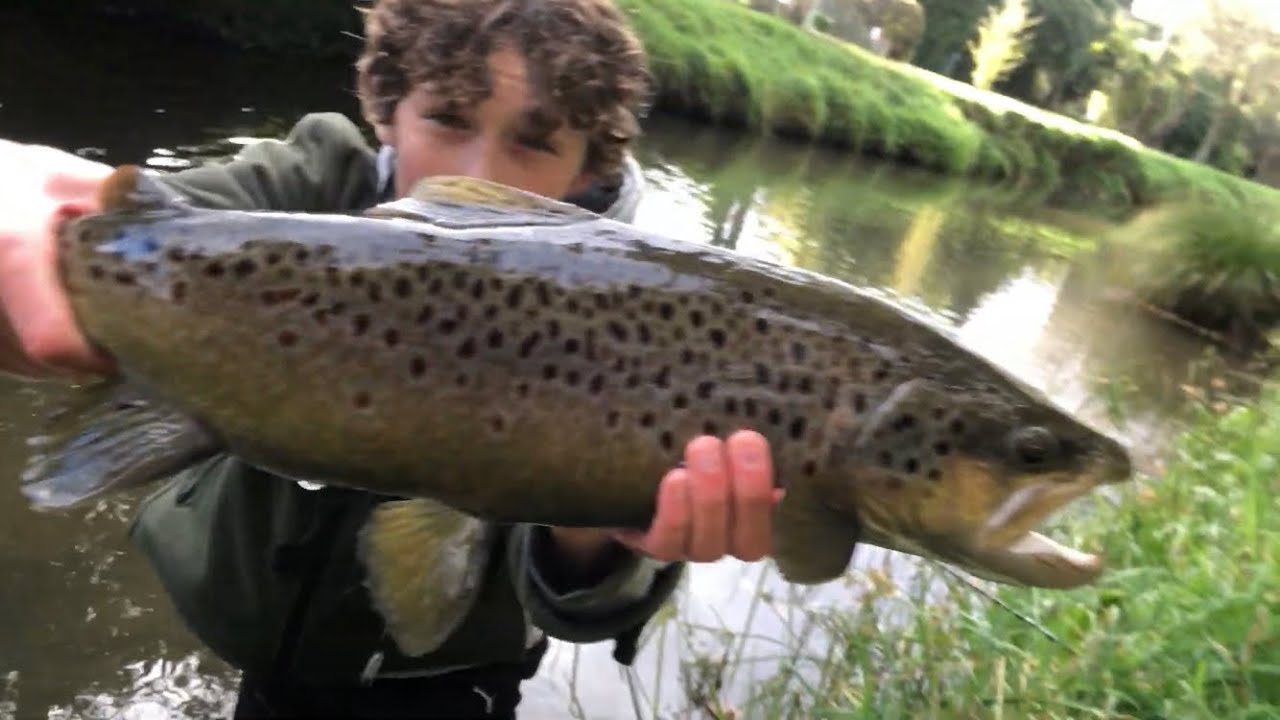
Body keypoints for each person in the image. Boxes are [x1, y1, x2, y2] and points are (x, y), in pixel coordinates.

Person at [0, 1, 796, 718]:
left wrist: (595, 523)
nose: (477, 173)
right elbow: (158, 226)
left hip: (452, 691)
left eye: (533, 142)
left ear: (591, 168)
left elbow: (582, 607)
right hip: (267, 653)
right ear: (385, 110)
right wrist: (41, 222)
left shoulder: (652, 306)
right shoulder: (313, 181)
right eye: (448, 119)